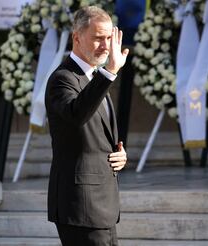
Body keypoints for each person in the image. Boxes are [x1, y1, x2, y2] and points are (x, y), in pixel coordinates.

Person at [45, 6, 129, 246]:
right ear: (77, 37)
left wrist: (118, 153)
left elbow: (96, 133)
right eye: (98, 38)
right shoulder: (63, 78)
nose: (105, 46)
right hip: (80, 205)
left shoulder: (95, 78)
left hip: (102, 205)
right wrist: (111, 70)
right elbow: (76, 114)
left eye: (108, 39)